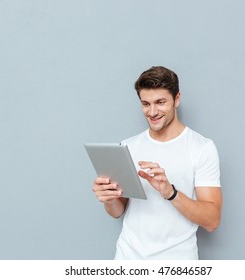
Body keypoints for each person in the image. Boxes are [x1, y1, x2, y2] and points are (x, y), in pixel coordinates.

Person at [92, 66, 222, 259]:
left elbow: (212, 220)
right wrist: (109, 199)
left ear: (176, 99)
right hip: (128, 260)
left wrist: (170, 192)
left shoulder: (201, 148)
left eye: (160, 102)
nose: (152, 112)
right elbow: (117, 211)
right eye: (145, 104)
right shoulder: (127, 146)